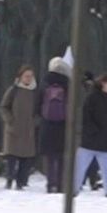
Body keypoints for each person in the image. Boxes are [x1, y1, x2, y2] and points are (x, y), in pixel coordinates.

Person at [75, 73, 107, 197]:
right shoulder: (92, 98)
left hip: (106, 141)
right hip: (89, 141)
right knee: (80, 168)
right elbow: (86, 117)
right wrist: (93, 131)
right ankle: (73, 190)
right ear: (103, 83)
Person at [0, 66, 38, 190]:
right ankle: (9, 180)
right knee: (12, 157)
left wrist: (34, 122)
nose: (28, 78)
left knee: (25, 158)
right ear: (20, 77)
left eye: (30, 76)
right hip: (14, 129)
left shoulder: (34, 92)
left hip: (28, 130)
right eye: (26, 76)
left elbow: (38, 110)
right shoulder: (13, 90)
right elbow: (4, 107)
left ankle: (21, 182)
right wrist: (10, 120)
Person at [39, 57, 71, 193]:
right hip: (63, 125)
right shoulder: (68, 85)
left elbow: (38, 104)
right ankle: (61, 184)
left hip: (47, 124)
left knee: (50, 157)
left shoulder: (44, 83)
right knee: (62, 157)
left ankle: (50, 184)